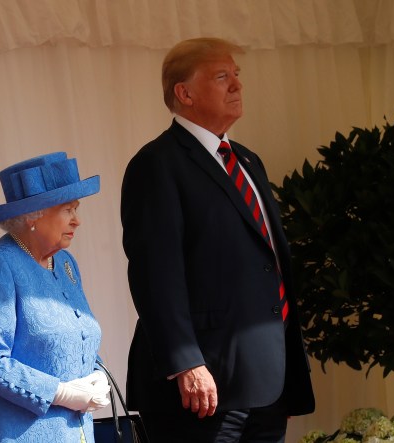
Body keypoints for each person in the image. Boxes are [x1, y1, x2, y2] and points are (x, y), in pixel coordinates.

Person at [120, 38, 315, 442]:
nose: (236, 86)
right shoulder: (157, 165)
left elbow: (267, 263)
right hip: (200, 388)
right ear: (184, 93)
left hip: (266, 384)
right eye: (222, 76)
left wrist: (285, 367)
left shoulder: (248, 160)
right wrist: (186, 363)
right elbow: (156, 274)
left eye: (237, 76)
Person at [0, 152, 110, 442]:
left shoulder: (66, 264)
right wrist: (60, 392)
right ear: (34, 215)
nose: (77, 220)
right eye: (68, 209)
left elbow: (78, 337)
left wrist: (97, 373)